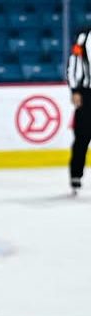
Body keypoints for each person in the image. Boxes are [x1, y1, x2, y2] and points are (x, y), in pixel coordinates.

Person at [67, 28, 91, 195]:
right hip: (87, 93)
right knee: (82, 136)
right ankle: (76, 175)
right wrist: (75, 89)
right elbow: (74, 61)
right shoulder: (83, 37)